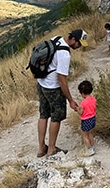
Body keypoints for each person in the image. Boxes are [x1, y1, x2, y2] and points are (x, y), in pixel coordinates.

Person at [36, 29, 88, 158]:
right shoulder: (65, 54)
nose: (79, 46)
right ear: (74, 39)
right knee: (56, 117)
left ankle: (41, 148)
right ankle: (51, 149)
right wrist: (70, 100)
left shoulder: (56, 38)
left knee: (43, 115)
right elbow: (62, 80)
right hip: (53, 88)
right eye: (79, 43)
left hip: (41, 83)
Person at [76, 80, 97, 156]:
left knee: (84, 135)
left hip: (85, 120)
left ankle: (89, 149)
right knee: (90, 133)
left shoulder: (83, 102)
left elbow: (81, 112)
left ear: (82, 93)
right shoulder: (93, 99)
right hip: (93, 118)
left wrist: (77, 109)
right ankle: (92, 145)